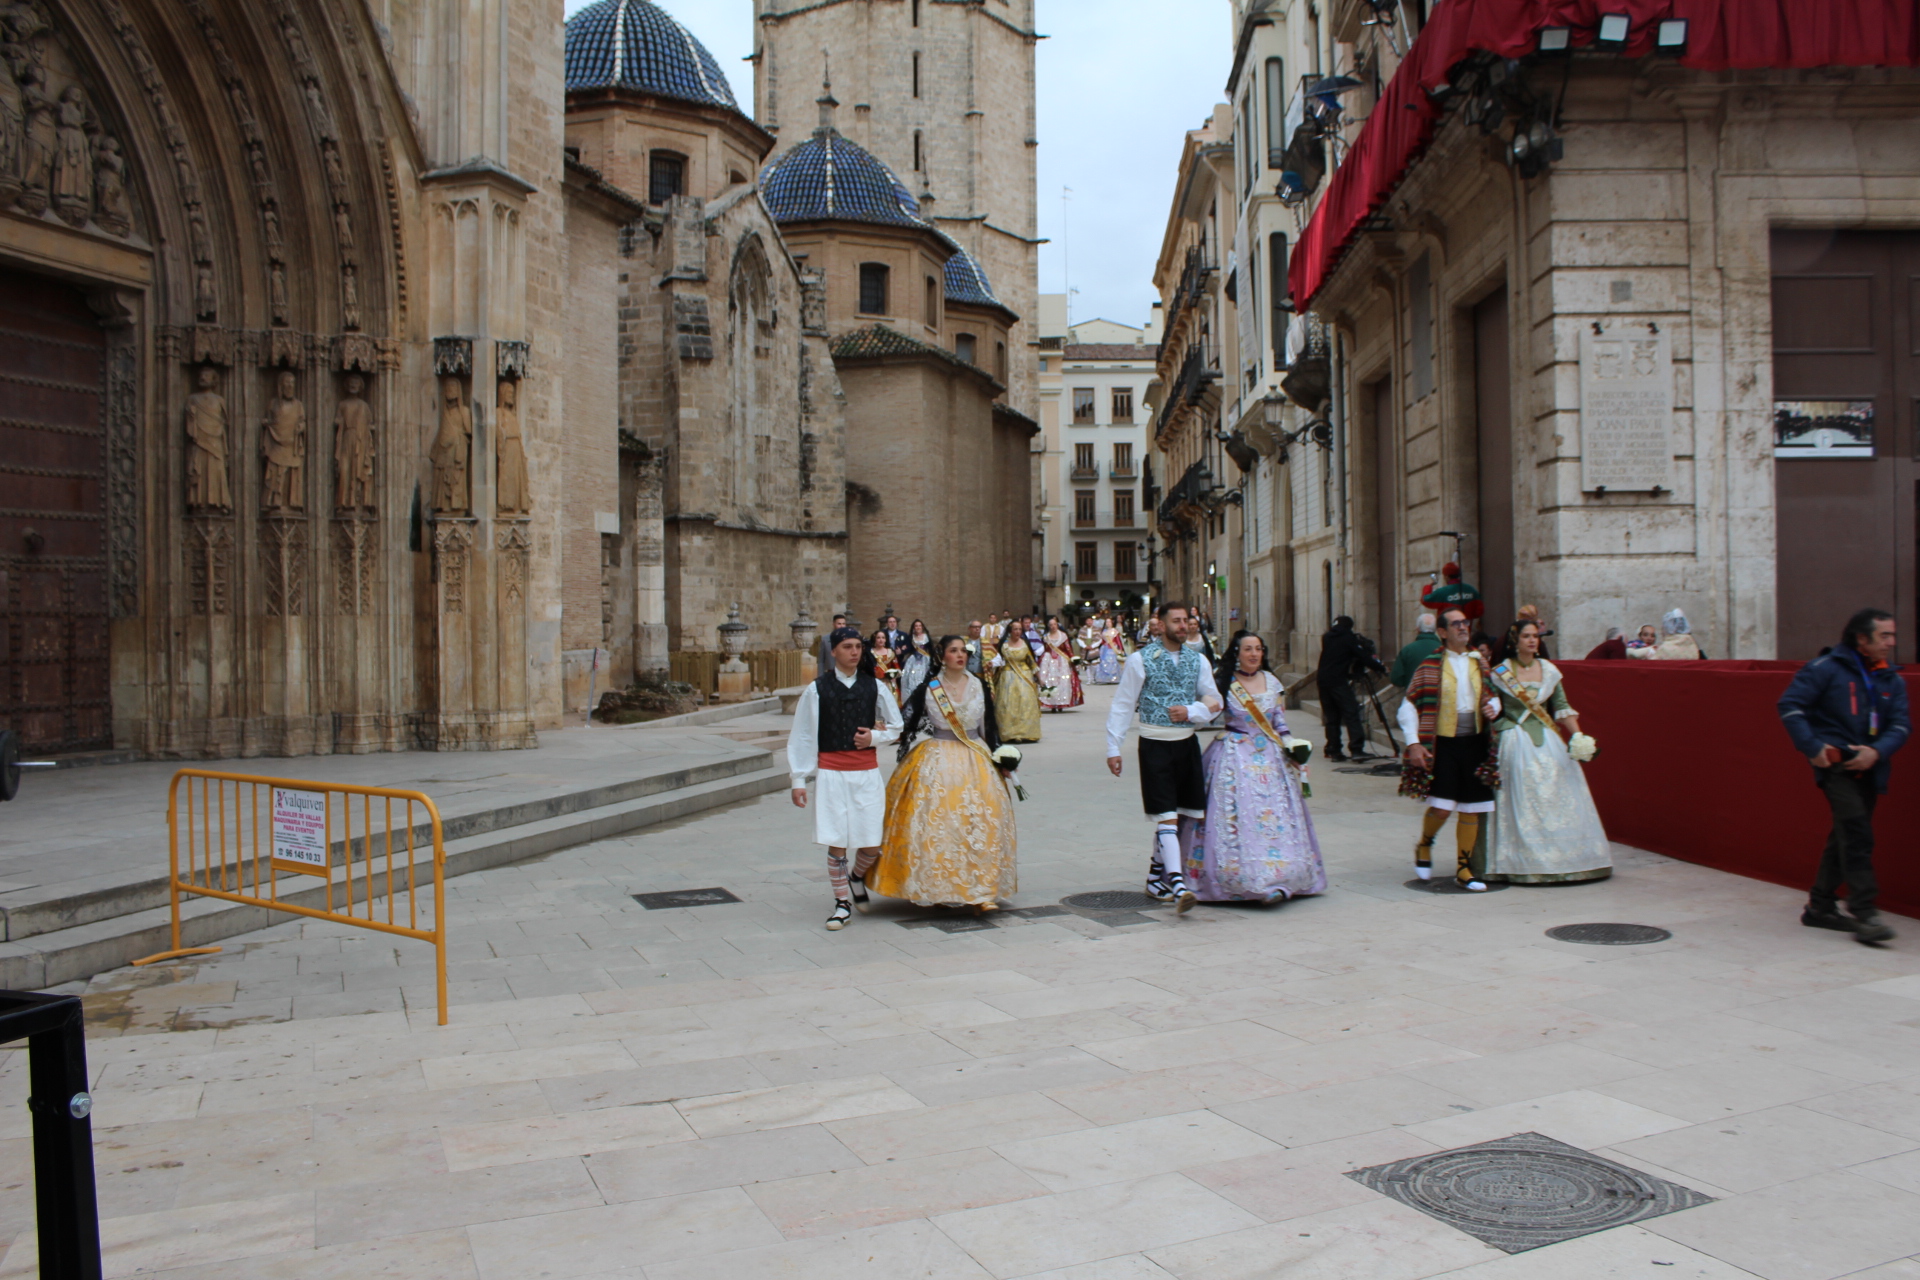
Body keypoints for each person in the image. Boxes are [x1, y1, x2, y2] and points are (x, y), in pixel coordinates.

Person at [1779, 608, 1909, 944]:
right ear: (1861, 638)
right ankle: (1865, 912)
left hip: (1871, 767)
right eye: (1884, 636)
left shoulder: (1892, 678)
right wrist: (1813, 748)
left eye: (1893, 635)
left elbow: (1900, 725)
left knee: (1846, 834)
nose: (1891, 643)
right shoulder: (1824, 669)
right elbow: (1791, 706)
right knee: (1856, 832)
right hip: (1835, 765)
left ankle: (1820, 906)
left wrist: (1876, 752)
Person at [872, 635, 1019, 911]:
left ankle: (983, 890)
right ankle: (940, 887)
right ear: (943, 656)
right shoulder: (930, 688)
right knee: (941, 824)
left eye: (963, 650)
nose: (960, 655)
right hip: (937, 760)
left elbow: (988, 726)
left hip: (976, 760)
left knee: (981, 823)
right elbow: (905, 721)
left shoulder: (978, 685)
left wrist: (1002, 757)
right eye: (954, 650)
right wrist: (877, 732)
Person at [1183, 630, 1325, 903]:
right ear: (1237, 653)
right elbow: (1207, 712)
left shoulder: (1272, 681)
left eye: (1258, 649)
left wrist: (1292, 746)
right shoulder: (1224, 681)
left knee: (1274, 819)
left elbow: (1279, 723)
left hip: (1271, 759)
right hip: (1233, 757)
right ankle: (1240, 878)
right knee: (1238, 816)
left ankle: (1282, 877)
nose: (1254, 654)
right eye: (1248, 649)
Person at [1105, 601, 1222, 912]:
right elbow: (1123, 703)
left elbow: (1215, 701)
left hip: (1186, 744)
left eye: (1186, 621)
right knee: (1166, 815)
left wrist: (1192, 711)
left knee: (1180, 814)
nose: (1183, 626)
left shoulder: (1198, 661)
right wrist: (1113, 747)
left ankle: (1156, 877)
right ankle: (1178, 883)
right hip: (1155, 743)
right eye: (1176, 621)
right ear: (1162, 624)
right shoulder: (1140, 660)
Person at [788, 627, 903, 930]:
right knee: (836, 840)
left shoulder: (875, 686)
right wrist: (798, 779)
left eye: (857, 647)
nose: (854, 652)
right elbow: (803, 735)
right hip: (831, 773)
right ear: (834, 651)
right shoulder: (817, 689)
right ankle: (841, 904)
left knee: (872, 842)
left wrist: (874, 737)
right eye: (847, 647)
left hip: (866, 773)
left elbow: (897, 725)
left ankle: (856, 877)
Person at [1485, 619, 1612, 883]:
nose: (1533, 640)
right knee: (1522, 796)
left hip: (1548, 740)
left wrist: (1578, 737)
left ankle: (1568, 860)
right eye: (1526, 636)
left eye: (1536, 636)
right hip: (1515, 739)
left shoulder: (1549, 670)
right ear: (1515, 641)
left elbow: (1562, 706)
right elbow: (1490, 704)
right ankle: (1519, 861)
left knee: (1559, 792)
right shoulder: (1501, 671)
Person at [1396, 607, 1503, 891]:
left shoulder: (1479, 661)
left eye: (1465, 623)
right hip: (1443, 744)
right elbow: (1408, 705)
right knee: (1443, 807)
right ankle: (1425, 843)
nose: (1463, 627)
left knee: (1472, 809)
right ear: (1442, 632)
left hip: (1476, 742)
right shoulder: (1430, 665)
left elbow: (1493, 696)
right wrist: (1414, 743)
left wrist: (1493, 707)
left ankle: (1464, 869)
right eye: (1456, 624)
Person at [1317, 616, 1383, 762]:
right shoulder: (1348, 638)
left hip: (1322, 681)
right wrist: (1380, 667)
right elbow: (1364, 657)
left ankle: (1333, 750)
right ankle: (1357, 749)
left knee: (1332, 717)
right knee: (1351, 713)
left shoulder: (1327, 637)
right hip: (1338, 682)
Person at [995, 625, 1043, 742]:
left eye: (1019, 629)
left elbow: (1031, 662)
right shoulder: (1004, 645)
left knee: (1025, 702)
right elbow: (997, 660)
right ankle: (1009, 734)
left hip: (1024, 676)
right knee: (1007, 704)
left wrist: (1039, 678)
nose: (1017, 632)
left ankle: (1027, 733)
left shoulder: (1025, 644)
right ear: (1010, 631)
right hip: (1007, 677)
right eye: (1015, 629)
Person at [1039, 617, 1083, 711]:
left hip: (1062, 662)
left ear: (1057, 625)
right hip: (1049, 662)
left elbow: (1068, 649)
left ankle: (1061, 702)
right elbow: (1044, 649)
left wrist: (1073, 660)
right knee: (1051, 681)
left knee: (1063, 681)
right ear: (1048, 626)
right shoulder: (1046, 637)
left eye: (1054, 624)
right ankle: (1052, 703)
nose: (1053, 626)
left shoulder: (1063, 636)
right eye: (1051, 625)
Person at [1389, 614, 1441, 688]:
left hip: (1414, 693)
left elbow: (1395, 679)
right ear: (1436, 629)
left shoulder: (1407, 650)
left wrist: (1408, 682)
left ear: (1418, 629)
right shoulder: (1444, 649)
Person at [1631, 610, 1705, 660]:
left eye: (1653, 635)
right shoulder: (1694, 647)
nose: (1649, 638)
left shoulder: (1665, 649)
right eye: (1646, 635)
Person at [900, 620, 934, 701]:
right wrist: (903, 649)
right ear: (913, 628)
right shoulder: (911, 638)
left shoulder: (926, 637)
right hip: (913, 660)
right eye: (916, 626)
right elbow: (908, 648)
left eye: (919, 626)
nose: (918, 627)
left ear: (922, 627)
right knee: (908, 678)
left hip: (925, 660)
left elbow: (931, 649)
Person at [869, 629, 900, 704]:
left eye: (883, 638)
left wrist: (894, 675)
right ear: (874, 639)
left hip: (888, 683)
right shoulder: (870, 653)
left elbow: (897, 667)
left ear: (886, 640)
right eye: (878, 638)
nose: (881, 640)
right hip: (875, 682)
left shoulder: (890, 652)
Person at [1091, 618, 1125, 684]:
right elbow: (1102, 641)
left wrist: (1121, 649)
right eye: (1107, 622)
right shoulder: (1104, 631)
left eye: (1109, 622)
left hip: (1113, 648)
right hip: (1105, 648)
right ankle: (1104, 678)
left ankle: (1114, 678)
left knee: (1113, 663)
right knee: (1103, 662)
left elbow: (1118, 641)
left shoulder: (1115, 631)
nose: (1108, 623)